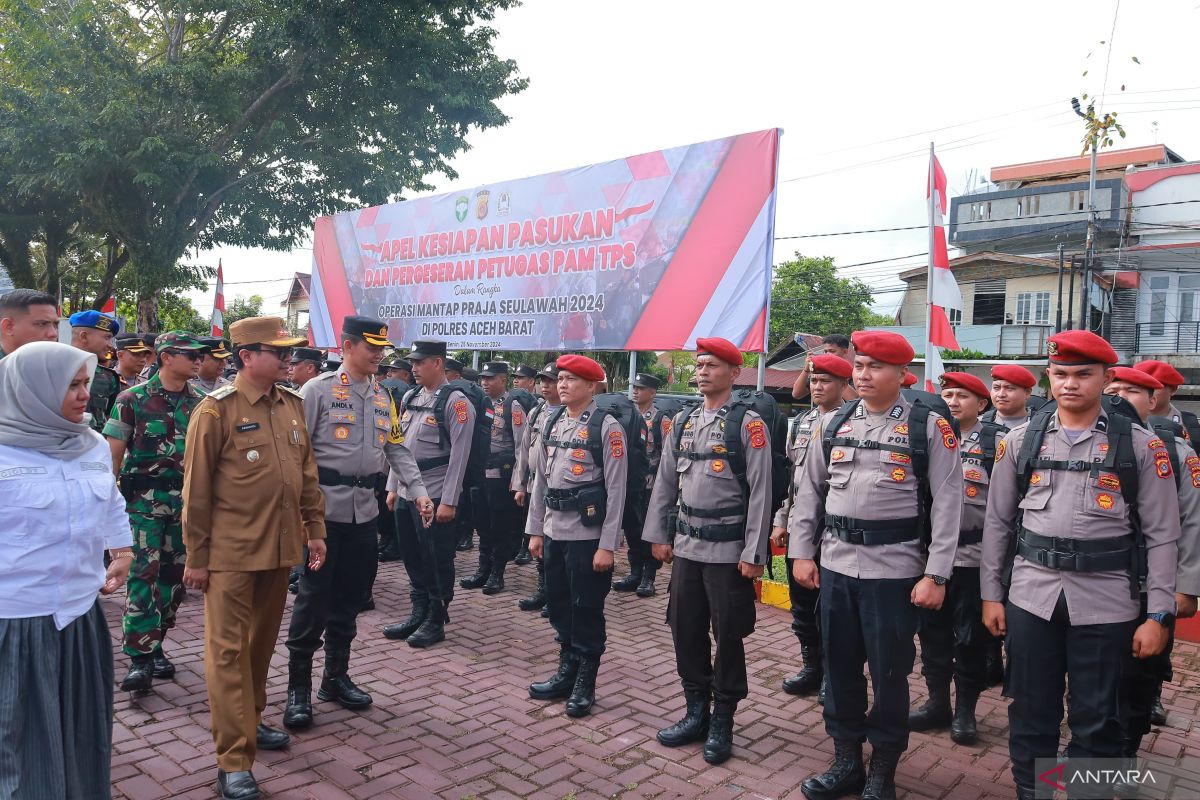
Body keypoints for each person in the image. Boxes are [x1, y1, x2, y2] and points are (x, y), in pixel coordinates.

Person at [980, 331, 1180, 800]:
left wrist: (1158, 614)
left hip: (1108, 602)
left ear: (1107, 379)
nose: (1070, 384)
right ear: (1048, 376)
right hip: (1032, 596)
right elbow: (997, 523)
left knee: (1099, 718)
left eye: (1083, 374)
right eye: (1061, 374)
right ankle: (1038, 792)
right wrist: (991, 594)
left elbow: (1163, 536)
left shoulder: (1141, 447)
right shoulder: (1021, 441)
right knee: (1031, 711)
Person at [789, 330, 962, 800]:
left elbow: (948, 504)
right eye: (859, 365)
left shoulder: (928, 424)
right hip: (838, 566)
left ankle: (883, 768)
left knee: (889, 674)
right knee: (839, 668)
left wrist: (937, 573)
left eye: (875, 367)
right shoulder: (836, 421)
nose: (863, 375)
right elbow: (811, 493)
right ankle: (847, 760)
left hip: (896, 572)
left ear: (901, 374)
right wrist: (802, 552)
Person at [181, 316, 327, 800]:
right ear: (246, 356)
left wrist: (315, 531)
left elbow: (305, 475)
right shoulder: (214, 412)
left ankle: (252, 720)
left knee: (261, 648)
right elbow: (196, 493)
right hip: (229, 555)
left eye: (289, 352)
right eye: (278, 352)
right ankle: (233, 760)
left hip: (279, 549)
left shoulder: (290, 405)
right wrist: (196, 558)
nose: (288, 359)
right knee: (227, 655)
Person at [283, 316, 432, 730]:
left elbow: (397, 448)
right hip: (322, 515)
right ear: (348, 346)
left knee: (351, 598)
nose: (379, 355)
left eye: (382, 348)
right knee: (312, 600)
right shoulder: (316, 391)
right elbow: (295, 454)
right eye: (371, 347)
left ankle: (335, 678)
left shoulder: (384, 397)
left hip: (364, 513)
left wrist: (418, 492)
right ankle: (298, 689)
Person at [0, 342, 133, 800]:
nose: (84, 395)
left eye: (84, 383)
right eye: (70, 385)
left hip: (78, 619)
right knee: (16, 748)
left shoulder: (90, 444)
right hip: (15, 625)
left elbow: (110, 498)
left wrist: (123, 550)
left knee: (81, 734)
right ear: (31, 390)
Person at [644, 337, 772, 765]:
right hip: (686, 547)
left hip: (727, 551)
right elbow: (664, 482)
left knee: (729, 635)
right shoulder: (682, 421)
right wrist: (658, 536)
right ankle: (695, 710)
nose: (701, 372)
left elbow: (761, 493)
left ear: (734, 374)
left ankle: (723, 719)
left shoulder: (748, 424)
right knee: (685, 628)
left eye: (712, 366)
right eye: (698, 365)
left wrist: (754, 552)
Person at [1102, 366, 1200, 775]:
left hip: (1150, 583)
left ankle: (1125, 752)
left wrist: (1186, 587)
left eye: (1132, 390)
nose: (1120, 395)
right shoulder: (1084, 439)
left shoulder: (1176, 451)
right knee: (1096, 672)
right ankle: (1093, 745)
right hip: (1098, 580)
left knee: (1139, 673)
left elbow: (1192, 520)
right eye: (1114, 388)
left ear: (1155, 399)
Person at [104, 332, 207, 693]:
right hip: (142, 505)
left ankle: (156, 640)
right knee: (142, 577)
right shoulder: (131, 399)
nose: (199, 360)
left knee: (175, 579)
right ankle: (140, 658)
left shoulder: (204, 403)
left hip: (187, 506)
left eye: (201, 355)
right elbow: (113, 457)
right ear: (166, 357)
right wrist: (108, 508)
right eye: (190, 354)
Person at [526, 354, 627, 718]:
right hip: (554, 530)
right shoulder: (551, 420)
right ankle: (565, 671)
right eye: (561, 378)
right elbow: (540, 480)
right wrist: (535, 530)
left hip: (587, 536)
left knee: (586, 608)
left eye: (571, 379)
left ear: (592, 386)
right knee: (559, 603)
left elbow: (617, 491)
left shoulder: (607, 427)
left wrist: (607, 545)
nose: (562, 384)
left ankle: (585, 681)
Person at [908, 371, 995, 746]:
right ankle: (937, 702)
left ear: (982, 403)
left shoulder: (996, 445)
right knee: (932, 636)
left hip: (974, 558)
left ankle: (966, 712)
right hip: (930, 560)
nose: (954, 401)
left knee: (970, 639)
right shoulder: (924, 438)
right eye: (948, 394)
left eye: (962, 395)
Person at [381, 340, 475, 648]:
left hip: (435, 493)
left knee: (436, 558)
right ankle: (418, 611)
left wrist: (449, 501)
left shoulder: (456, 401)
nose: (414, 368)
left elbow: (460, 456)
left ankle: (436, 618)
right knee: (411, 553)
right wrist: (393, 486)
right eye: (413, 363)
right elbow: (400, 445)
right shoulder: (410, 396)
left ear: (437, 363)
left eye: (420, 362)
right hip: (408, 491)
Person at [770, 354, 851, 699]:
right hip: (800, 527)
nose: (817, 387)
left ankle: (834, 674)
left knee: (832, 611)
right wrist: (780, 519)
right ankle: (811, 667)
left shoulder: (849, 423)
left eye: (826, 381)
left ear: (844, 385)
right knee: (802, 606)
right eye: (814, 380)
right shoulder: (802, 422)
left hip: (833, 530)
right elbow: (793, 478)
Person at [462, 361, 524, 595]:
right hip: (480, 473)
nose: (485, 383)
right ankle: (482, 569)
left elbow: (521, 447)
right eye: (483, 379)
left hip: (501, 475)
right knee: (482, 524)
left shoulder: (513, 405)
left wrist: (517, 479)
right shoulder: (482, 403)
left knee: (500, 525)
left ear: (503, 380)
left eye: (490, 378)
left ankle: (497, 572)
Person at [614, 372, 668, 597]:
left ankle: (649, 577)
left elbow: (667, 456)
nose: (635, 391)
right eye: (633, 387)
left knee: (649, 532)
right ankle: (635, 572)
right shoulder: (626, 416)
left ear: (652, 393)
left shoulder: (661, 420)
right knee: (632, 530)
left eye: (640, 388)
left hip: (651, 487)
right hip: (630, 485)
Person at [513, 362, 561, 614]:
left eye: (551, 380)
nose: (546, 384)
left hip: (558, 489)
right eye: (543, 380)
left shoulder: (568, 412)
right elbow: (524, 451)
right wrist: (519, 484)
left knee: (553, 544)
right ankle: (543, 589)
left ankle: (555, 594)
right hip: (534, 485)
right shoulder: (536, 411)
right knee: (537, 538)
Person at [68, 310, 122, 434]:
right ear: (84, 336)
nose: (110, 345)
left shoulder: (108, 377)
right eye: (107, 338)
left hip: (96, 448)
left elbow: (110, 420)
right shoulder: (53, 369)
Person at [1135, 359, 1198, 441]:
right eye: (1137, 388)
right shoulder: (1121, 421)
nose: (1145, 393)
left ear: (1172, 390)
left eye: (1152, 388)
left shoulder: (1189, 425)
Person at [791, 334, 857, 402]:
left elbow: (854, 401)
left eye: (832, 351)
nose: (827, 354)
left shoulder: (853, 373)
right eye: (825, 351)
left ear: (845, 351)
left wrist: (836, 371)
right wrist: (806, 369)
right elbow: (796, 394)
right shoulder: (820, 371)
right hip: (821, 412)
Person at [0, 288, 59, 358]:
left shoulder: (65, 365)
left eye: (55, 324)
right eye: (42, 324)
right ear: (8, 327)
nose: (53, 334)